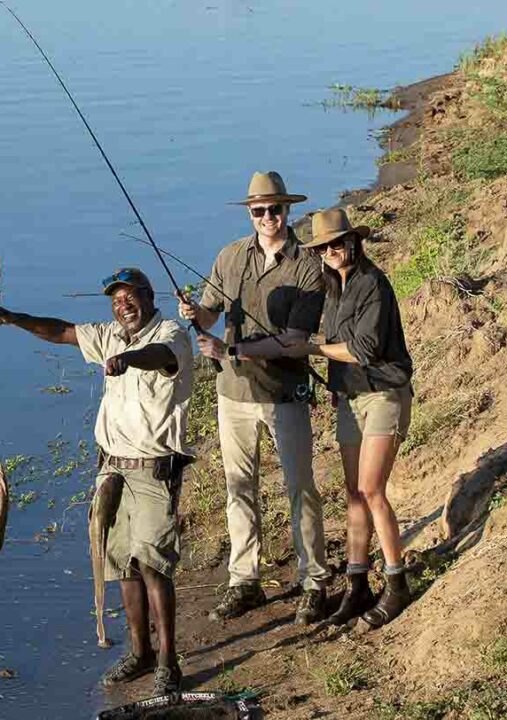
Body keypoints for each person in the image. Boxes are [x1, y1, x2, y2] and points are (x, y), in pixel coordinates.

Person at [0, 267, 194, 694]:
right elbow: (61, 331)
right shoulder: (108, 335)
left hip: (153, 468)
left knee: (153, 564)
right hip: (111, 469)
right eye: (116, 301)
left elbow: (159, 356)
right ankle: (139, 653)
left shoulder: (171, 333)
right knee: (122, 565)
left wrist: (127, 360)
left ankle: (168, 663)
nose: (123, 306)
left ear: (149, 296)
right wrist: (14, 318)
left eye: (130, 297)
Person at [177, 171, 330, 624]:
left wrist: (233, 351)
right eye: (259, 210)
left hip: (284, 393)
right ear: (249, 213)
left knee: (300, 487)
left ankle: (314, 580)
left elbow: (297, 338)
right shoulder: (229, 256)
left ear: (288, 210)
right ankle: (244, 580)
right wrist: (194, 312)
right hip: (233, 393)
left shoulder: (308, 266)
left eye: (275, 209)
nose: (268, 217)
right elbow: (209, 313)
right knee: (238, 488)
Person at [285, 208, 415, 627]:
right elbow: (338, 343)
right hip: (351, 398)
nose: (331, 251)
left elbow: (364, 349)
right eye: (323, 247)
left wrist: (310, 350)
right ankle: (357, 584)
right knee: (353, 493)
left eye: (337, 243)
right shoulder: (333, 286)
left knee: (372, 489)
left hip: (384, 394)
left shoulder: (372, 283)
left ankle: (397, 583)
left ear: (354, 241)